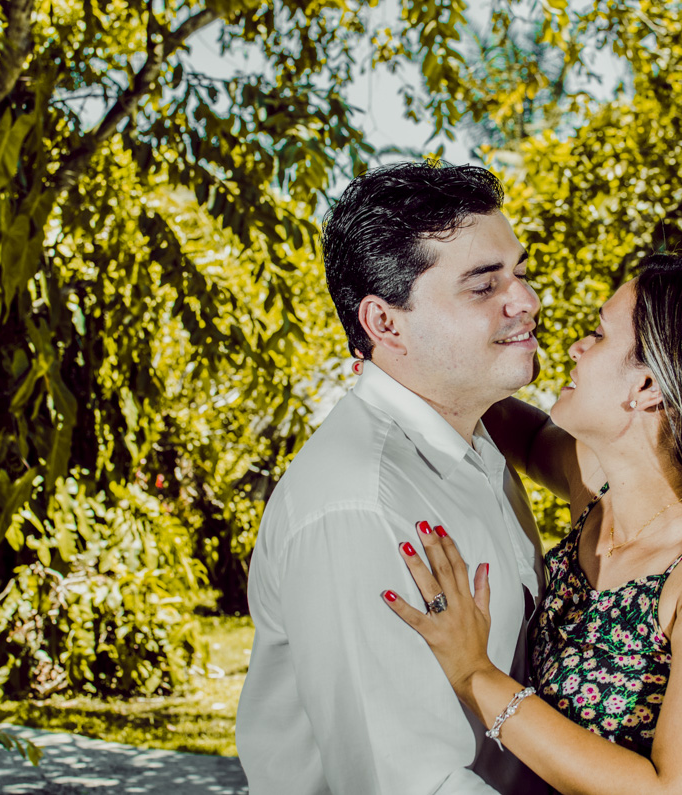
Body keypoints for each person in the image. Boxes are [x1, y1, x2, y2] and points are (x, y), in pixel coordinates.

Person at [383, 254, 682, 795]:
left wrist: (474, 674)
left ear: (649, 385)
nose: (576, 349)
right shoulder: (601, 488)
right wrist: (407, 351)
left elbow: (673, 791)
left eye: (598, 335)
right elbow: (523, 433)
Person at [235, 161, 549, 794]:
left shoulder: (476, 443)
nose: (527, 301)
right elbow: (413, 783)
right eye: (483, 287)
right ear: (385, 324)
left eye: (520, 272)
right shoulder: (363, 507)